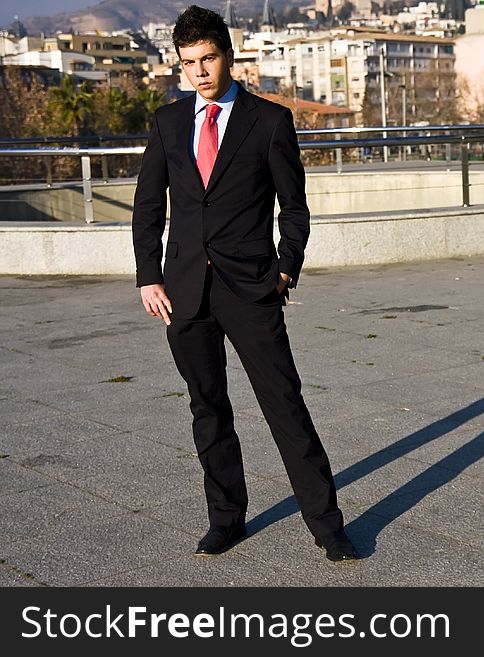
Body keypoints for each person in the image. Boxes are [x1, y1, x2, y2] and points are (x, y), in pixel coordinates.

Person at [132, 5, 357, 562]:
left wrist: (285, 267)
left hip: (252, 287)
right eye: (189, 63)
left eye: (208, 58)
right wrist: (147, 277)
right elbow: (146, 207)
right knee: (207, 408)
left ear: (228, 55)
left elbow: (294, 208)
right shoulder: (168, 123)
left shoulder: (270, 121)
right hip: (183, 292)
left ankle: (328, 527)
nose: (200, 71)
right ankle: (226, 519)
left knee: (284, 404)